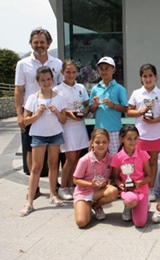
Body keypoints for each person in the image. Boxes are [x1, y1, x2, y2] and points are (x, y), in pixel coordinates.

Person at [14, 27, 63, 199]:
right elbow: (19, 90)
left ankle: (53, 185)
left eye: (42, 42)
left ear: (49, 44)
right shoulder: (23, 64)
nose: (39, 45)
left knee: (53, 154)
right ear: (31, 44)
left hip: (52, 115)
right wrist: (20, 115)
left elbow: (62, 88)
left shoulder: (57, 64)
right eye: (36, 42)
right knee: (30, 151)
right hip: (32, 114)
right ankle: (33, 188)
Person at [19, 66, 67, 217]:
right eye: (43, 80)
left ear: (53, 80)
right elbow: (26, 121)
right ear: (38, 82)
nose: (46, 82)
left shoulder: (59, 97)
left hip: (55, 134)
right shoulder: (33, 98)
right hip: (38, 135)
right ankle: (30, 202)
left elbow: (64, 119)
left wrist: (56, 111)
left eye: (48, 79)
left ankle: (53, 194)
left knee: (53, 165)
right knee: (36, 167)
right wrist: (37, 114)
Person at [127, 63, 160, 202]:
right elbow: (129, 111)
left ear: (155, 76)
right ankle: (139, 187)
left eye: (150, 75)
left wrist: (155, 120)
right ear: (141, 78)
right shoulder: (136, 93)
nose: (148, 79)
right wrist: (140, 112)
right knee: (139, 162)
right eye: (145, 76)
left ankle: (151, 188)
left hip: (156, 133)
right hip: (140, 134)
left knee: (152, 161)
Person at [54, 60, 90, 200]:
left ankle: (72, 185)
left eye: (73, 72)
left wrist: (85, 113)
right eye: (68, 72)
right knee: (70, 158)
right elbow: (58, 109)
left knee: (77, 158)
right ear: (62, 72)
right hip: (67, 126)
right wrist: (69, 113)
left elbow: (86, 104)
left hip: (80, 126)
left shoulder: (80, 87)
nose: (70, 74)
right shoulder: (57, 90)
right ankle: (63, 187)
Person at [72, 129, 119, 228]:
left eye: (104, 142)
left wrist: (108, 181)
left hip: (100, 191)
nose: (101, 145)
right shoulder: (84, 160)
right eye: (97, 142)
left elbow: (114, 178)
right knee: (82, 222)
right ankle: (86, 206)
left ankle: (96, 205)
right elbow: (76, 180)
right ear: (91, 143)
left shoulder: (112, 159)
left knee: (113, 191)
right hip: (84, 192)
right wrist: (91, 184)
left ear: (108, 142)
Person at [111, 125, 152, 228]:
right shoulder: (117, 157)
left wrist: (140, 183)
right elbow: (115, 177)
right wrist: (120, 185)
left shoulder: (143, 154)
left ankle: (143, 203)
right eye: (129, 139)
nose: (133, 142)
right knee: (131, 200)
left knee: (140, 223)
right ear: (122, 139)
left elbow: (149, 176)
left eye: (135, 138)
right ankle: (128, 206)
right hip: (127, 190)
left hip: (141, 188)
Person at [89, 56, 128, 154]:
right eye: (101, 69)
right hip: (99, 130)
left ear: (113, 70)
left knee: (115, 159)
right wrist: (95, 105)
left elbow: (126, 108)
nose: (103, 71)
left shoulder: (119, 88)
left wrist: (113, 105)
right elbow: (91, 109)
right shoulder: (95, 89)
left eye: (106, 68)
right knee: (98, 159)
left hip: (115, 130)